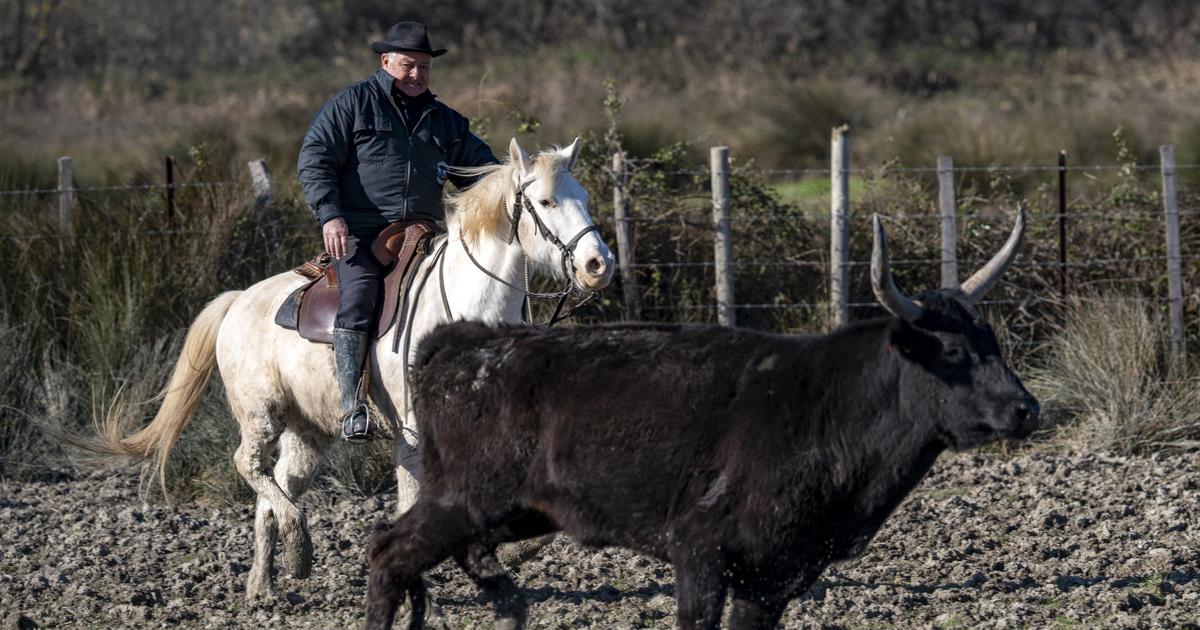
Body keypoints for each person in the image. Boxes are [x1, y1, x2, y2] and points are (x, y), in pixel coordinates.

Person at [298, 20, 498, 442]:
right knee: (359, 297)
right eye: (408, 65)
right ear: (385, 61)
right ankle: (353, 405)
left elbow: (484, 172)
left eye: (424, 67)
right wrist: (330, 215)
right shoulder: (352, 104)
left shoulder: (446, 122)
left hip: (425, 232)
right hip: (360, 231)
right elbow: (315, 158)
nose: (417, 75)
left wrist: (521, 182)